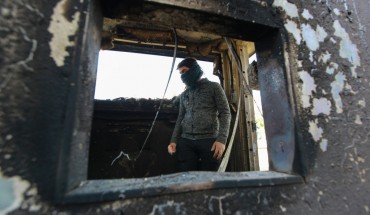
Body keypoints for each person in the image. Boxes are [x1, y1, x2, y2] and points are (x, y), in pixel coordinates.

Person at [167, 57, 231, 171]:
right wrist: (173, 141)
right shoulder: (184, 94)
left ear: (195, 69)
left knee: (211, 177)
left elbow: (225, 112)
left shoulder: (214, 87)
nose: (182, 76)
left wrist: (222, 140)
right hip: (186, 141)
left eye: (184, 71)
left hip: (209, 140)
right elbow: (180, 117)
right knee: (187, 177)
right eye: (181, 73)